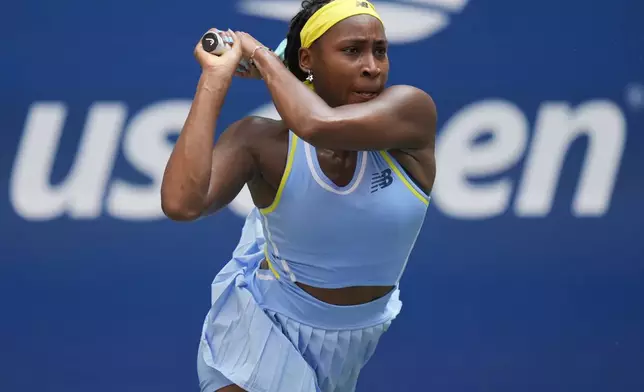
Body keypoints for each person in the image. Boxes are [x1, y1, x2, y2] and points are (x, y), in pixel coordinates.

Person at [160, 0, 437, 391]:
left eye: (380, 50)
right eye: (352, 50)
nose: (372, 66)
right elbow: (181, 204)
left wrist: (260, 56)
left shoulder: (412, 112)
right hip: (260, 329)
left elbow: (316, 123)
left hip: (353, 342)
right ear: (307, 59)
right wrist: (216, 78)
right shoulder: (260, 142)